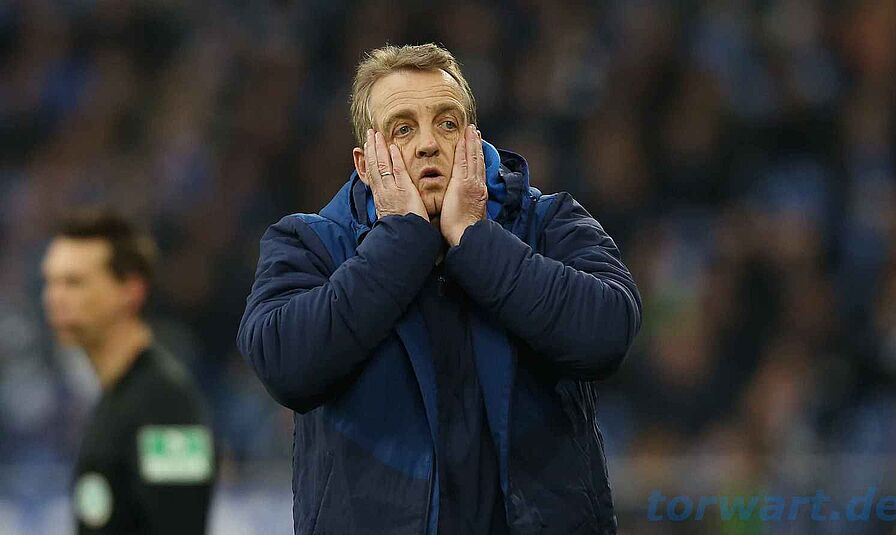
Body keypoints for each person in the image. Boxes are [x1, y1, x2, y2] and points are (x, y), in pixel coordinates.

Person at [238, 43, 641, 535]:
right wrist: (403, 240)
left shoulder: (548, 221)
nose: (428, 144)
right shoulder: (309, 244)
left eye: (447, 123)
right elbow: (285, 366)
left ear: (472, 140)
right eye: (403, 129)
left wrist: (474, 238)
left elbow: (608, 333)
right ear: (365, 164)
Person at [42, 209, 216, 534]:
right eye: (50, 282)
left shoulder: (164, 402)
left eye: (74, 282)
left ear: (130, 290)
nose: (54, 297)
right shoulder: (115, 398)